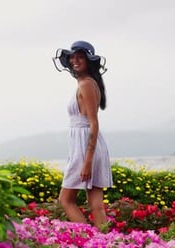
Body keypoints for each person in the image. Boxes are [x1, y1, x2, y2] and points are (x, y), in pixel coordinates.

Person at [52, 41, 113, 230]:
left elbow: (93, 123)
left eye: (80, 57)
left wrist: (87, 160)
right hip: (88, 146)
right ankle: (107, 244)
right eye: (72, 57)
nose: (74, 60)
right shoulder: (87, 84)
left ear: (89, 61)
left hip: (85, 147)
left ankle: (91, 240)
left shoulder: (86, 84)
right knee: (96, 204)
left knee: (65, 200)